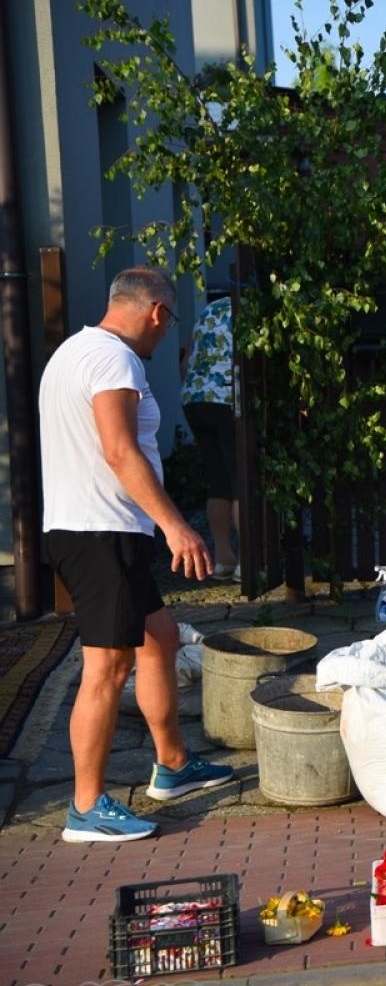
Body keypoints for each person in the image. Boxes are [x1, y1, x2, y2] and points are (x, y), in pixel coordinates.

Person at [39, 267, 234, 843]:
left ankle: (172, 765)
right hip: (98, 533)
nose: (166, 336)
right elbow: (122, 453)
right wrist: (177, 527)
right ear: (157, 313)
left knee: (161, 639)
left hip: (99, 530)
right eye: (170, 323)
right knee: (107, 667)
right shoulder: (115, 360)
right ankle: (86, 808)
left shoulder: (74, 351)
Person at [180, 296, 240, 581]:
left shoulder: (209, 310)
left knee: (218, 482)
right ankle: (249, 562)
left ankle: (224, 557)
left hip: (195, 398)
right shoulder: (251, 310)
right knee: (241, 482)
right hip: (228, 398)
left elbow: (188, 358)